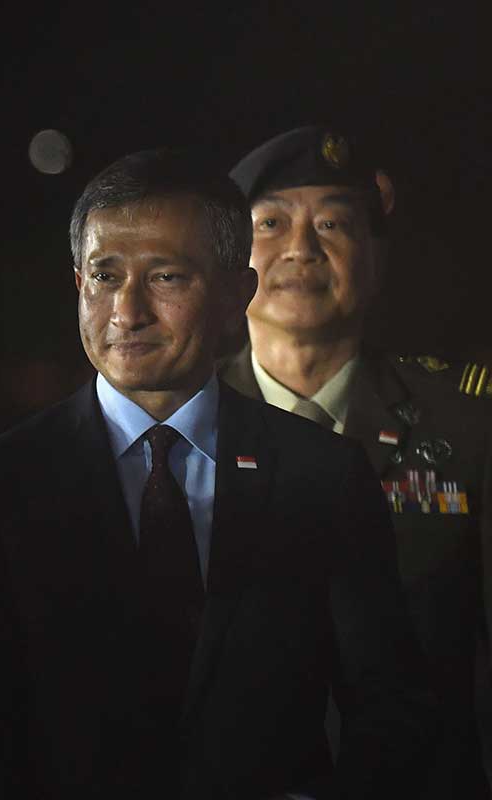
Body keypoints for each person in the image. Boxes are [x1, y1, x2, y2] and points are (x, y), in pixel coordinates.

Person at [0, 147, 437, 798]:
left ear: (236, 293)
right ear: (77, 283)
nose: (126, 311)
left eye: (166, 277)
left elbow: (393, 708)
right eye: (104, 276)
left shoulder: (322, 474)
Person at [222, 124, 492, 797]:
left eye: (334, 225)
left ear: (376, 255)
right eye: (271, 224)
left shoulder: (469, 421)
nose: (300, 249)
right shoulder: (178, 423)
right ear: (228, 259)